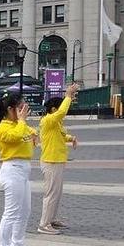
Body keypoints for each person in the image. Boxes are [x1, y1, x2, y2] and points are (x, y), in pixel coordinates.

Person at [0, 91, 39, 246]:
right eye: (20, 108)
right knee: (11, 212)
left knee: (24, 210)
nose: (23, 111)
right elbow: (16, 136)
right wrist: (22, 122)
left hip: (24, 169)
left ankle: (17, 244)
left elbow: (31, 132)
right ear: (10, 109)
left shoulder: (19, 124)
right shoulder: (2, 127)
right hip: (12, 169)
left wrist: (32, 131)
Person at [37, 83, 80, 235]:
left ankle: (51, 219)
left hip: (57, 160)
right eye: (59, 107)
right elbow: (62, 113)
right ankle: (44, 224)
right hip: (51, 161)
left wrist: (71, 138)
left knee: (57, 193)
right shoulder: (48, 120)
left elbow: (60, 135)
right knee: (51, 193)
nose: (63, 111)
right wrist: (68, 95)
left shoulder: (55, 123)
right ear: (53, 109)